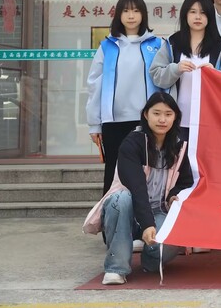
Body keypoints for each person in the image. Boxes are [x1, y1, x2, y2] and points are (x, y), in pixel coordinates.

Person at [82, 92, 193, 285]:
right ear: (146, 115)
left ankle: (150, 260)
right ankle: (116, 268)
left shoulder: (178, 147)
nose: (162, 119)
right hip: (128, 210)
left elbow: (186, 182)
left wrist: (173, 195)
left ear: (175, 118)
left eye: (168, 114)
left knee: (169, 242)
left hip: (158, 210)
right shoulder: (132, 143)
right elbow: (137, 187)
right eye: (156, 113)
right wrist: (147, 223)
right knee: (121, 199)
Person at [86, 0, 165, 195]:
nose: (131, 16)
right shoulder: (107, 46)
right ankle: (111, 213)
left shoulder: (157, 44)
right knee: (113, 171)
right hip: (114, 122)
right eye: (126, 11)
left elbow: (165, 83)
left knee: (148, 171)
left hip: (147, 121)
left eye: (136, 11)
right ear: (118, 15)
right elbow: (95, 84)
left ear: (143, 15)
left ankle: (146, 214)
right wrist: (94, 123)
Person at [150, 0, 221, 141]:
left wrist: (215, 74)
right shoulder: (172, 43)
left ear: (210, 17)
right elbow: (156, 75)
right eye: (193, 12)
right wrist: (176, 69)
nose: (198, 17)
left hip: (209, 120)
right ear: (185, 15)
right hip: (176, 120)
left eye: (203, 13)